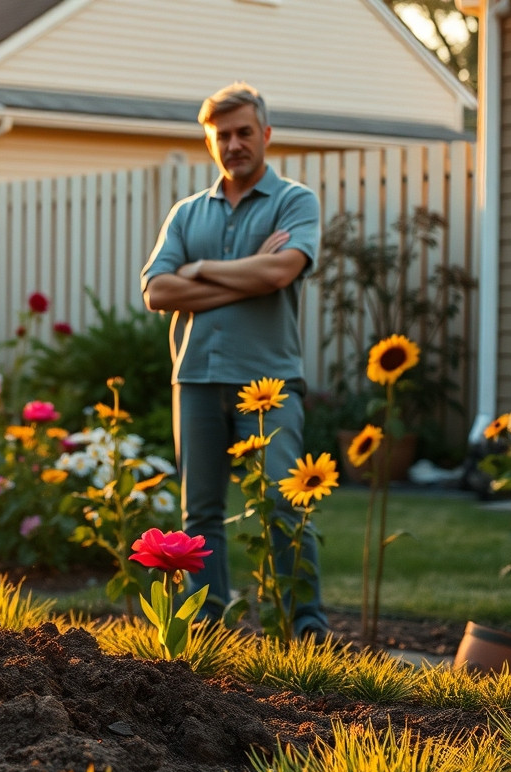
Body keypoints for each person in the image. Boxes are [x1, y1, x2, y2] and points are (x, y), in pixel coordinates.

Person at [139, 82, 328, 637]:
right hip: (195, 378)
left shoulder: (295, 201)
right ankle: (208, 628)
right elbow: (156, 292)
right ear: (209, 141)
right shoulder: (187, 212)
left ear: (265, 135)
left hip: (270, 382)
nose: (234, 143)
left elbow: (280, 272)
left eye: (244, 132)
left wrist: (197, 271)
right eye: (222, 135)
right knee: (199, 518)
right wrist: (244, 275)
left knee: (284, 504)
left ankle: (306, 628)